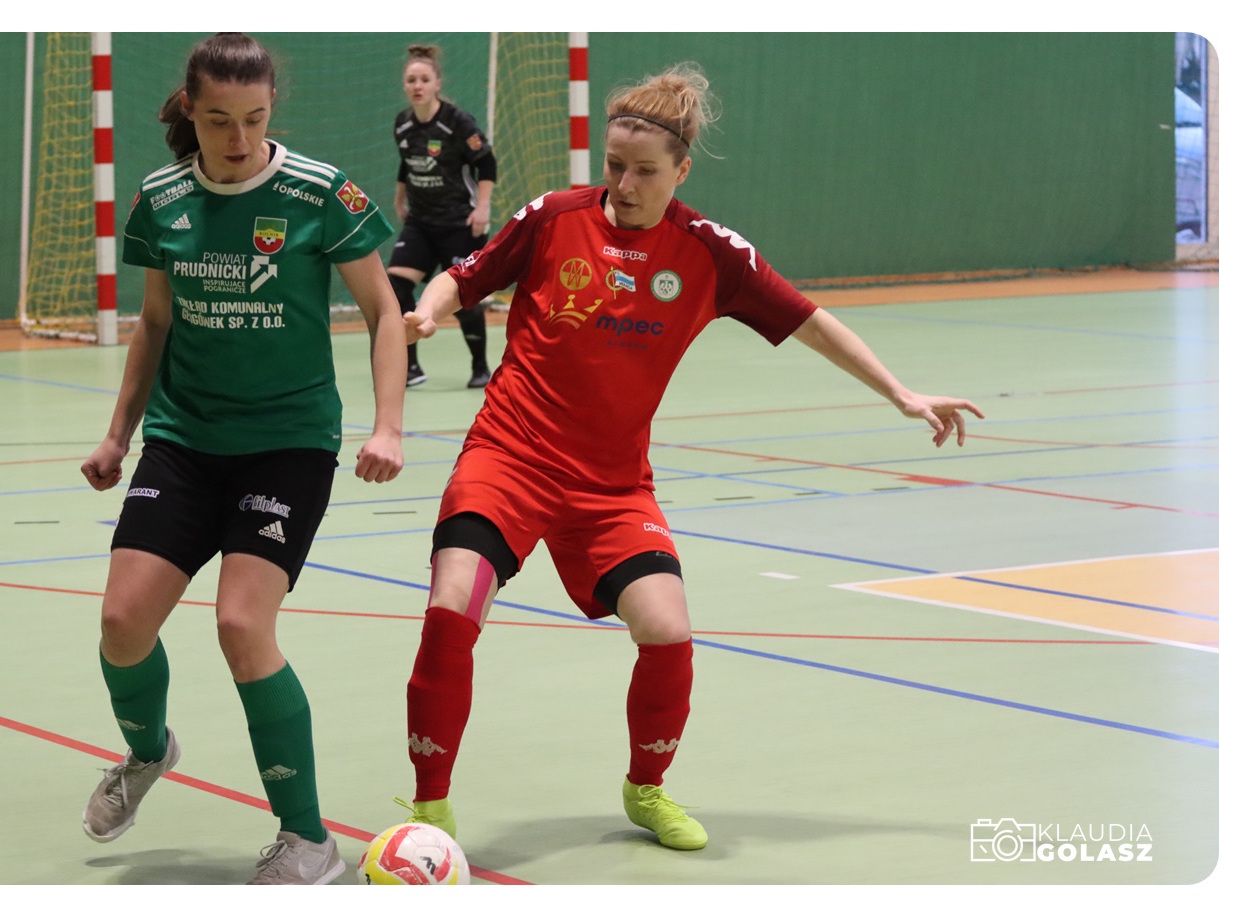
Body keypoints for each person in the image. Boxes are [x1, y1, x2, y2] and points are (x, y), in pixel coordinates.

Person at [396, 63, 984, 851]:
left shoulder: (709, 252)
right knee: (452, 604)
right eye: (614, 166)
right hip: (508, 457)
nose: (624, 185)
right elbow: (463, 278)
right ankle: (430, 809)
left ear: (682, 171)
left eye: (644, 171)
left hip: (612, 486)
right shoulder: (553, 217)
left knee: (667, 628)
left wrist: (901, 393)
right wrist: (428, 312)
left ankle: (647, 789)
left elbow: (810, 322)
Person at [78, 33, 405, 885]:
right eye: (220, 119)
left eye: (255, 118)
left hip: (288, 443)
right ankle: (148, 751)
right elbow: (154, 322)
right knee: (121, 623)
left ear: (272, 109)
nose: (238, 137)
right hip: (184, 440)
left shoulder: (319, 192)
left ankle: (309, 839)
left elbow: (384, 311)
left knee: (240, 624)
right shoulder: (160, 199)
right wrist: (118, 434)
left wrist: (388, 425)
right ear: (191, 110)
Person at [390, 43, 496, 389]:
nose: (417, 86)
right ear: (405, 85)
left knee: (462, 296)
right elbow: (407, 163)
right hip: (421, 222)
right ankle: (410, 366)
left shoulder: (457, 122)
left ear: (437, 83)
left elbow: (486, 163)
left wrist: (482, 208)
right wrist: (400, 198)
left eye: (424, 79)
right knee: (395, 286)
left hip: (458, 222)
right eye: (411, 80)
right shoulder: (403, 124)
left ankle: (480, 368)